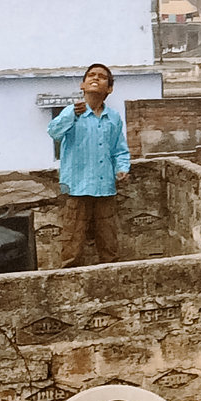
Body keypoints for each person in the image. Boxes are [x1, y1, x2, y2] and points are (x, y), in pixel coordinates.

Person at [46, 62, 129, 266]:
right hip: (77, 188)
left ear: (109, 88)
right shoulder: (71, 113)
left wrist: (122, 168)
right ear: (82, 85)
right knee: (72, 244)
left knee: (109, 243)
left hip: (105, 188)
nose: (95, 78)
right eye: (91, 75)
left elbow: (120, 149)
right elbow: (53, 132)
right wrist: (71, 114)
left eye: (102, 77)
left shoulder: (114, 117)